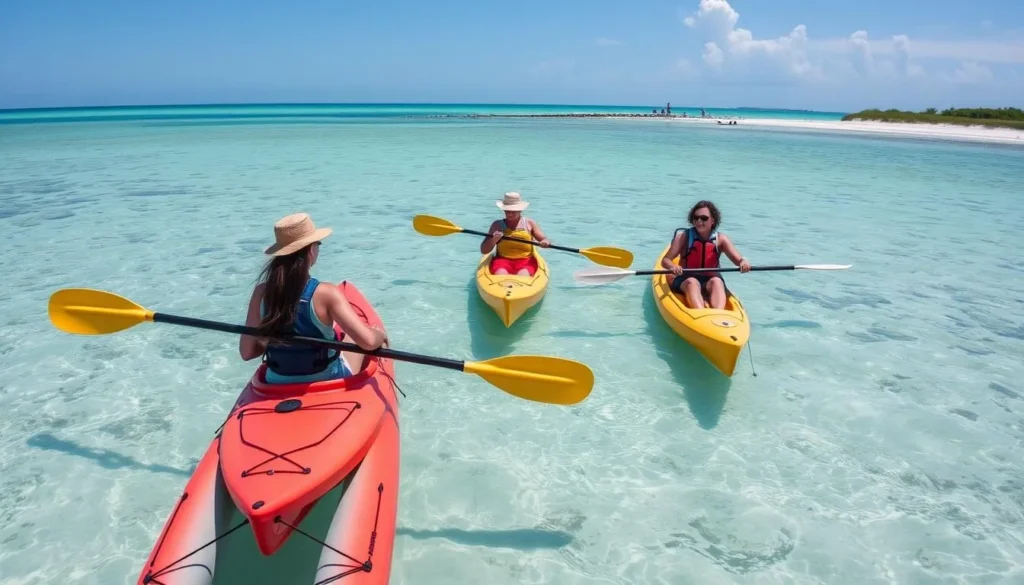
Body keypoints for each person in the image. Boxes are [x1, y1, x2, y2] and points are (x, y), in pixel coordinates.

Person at [239, 212, 388, 384]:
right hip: (326, 378)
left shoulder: (261, 292)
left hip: (276, 380)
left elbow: (247, 352)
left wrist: (276, 342)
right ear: (310, 250)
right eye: (318, 244)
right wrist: (378, 333)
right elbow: (368, 343)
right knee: (359, 337)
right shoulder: (326, 293)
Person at [662, 200, 750, 310]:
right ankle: (700, 312)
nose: (699, 221)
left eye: (704, 218)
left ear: (712, 220)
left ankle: (718, 315)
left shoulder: (721, 239)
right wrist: (672, 266)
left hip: (709, 281)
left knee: (717, 281)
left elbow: (739, 260)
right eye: (696, 217)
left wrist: (744, 262)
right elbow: (665, 260)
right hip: (685, 279)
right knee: (692, 282)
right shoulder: (683, 237)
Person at [479, 192, 551, 276]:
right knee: (500, 274)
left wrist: (545, 242)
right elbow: (484, 250)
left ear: (520, 210)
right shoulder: (496, 225)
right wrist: (494, 239)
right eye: (507, 211)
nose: (509, 214)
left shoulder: (529, 223)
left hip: (526, 261)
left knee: (523, 275)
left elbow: (544, 239)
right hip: (503, 261)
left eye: (513, 211)